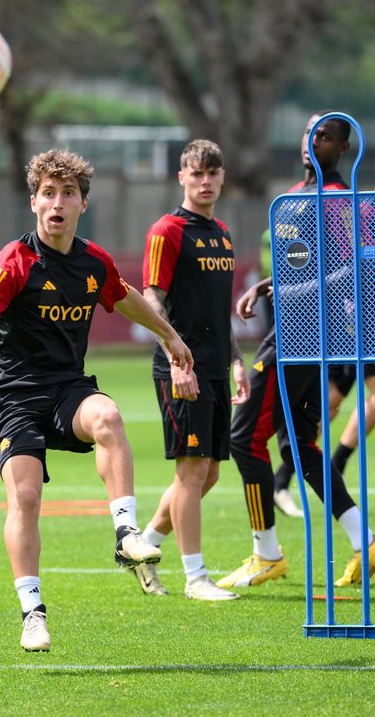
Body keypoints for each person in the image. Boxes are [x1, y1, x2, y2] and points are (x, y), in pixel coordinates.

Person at [0, 149, 193, 652]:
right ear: (34, 202)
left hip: (67, 388)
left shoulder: (93, 261)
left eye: (68, 193)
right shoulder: (12, 263)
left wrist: (169, 336)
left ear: (83, 203)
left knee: (108, 415)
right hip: (13, 395)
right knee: (25, 497)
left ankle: (126, 535)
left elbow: (125, 296)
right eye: (48, 193)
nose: (57, 203)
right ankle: (32, 613)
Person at [219, 112, 375, 591]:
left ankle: (266, 553)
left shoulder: (338, 201)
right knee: (298, 446)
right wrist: (266, 286)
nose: (314, 140)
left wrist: (290, 293)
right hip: (296, 331)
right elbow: (304, 265)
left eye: (325, 136)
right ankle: (365, 540)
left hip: (304, 336)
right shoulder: (295, 195)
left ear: (343, 148)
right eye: (310, 132)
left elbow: (357, 270)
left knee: (244, 439)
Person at [272, 147, 375, 508]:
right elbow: (354, 264)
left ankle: (284, 478)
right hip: (352, 322)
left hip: (360, 322)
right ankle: (332, 466)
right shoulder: (366, 209)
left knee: (329, 403)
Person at [126, 139, 249, 602]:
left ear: (222, 177)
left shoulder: (222, 233)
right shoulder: (167, 230)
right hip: (182, 370)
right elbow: (151, 300)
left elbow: (218, 311)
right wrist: (177, 359)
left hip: (215, 367)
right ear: (181, 177)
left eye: (212, 173)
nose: (205, 181)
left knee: (208, 475)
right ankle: (196, 579)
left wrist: (237, 360)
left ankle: (141, 547)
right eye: (196, 173)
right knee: (192, 472)